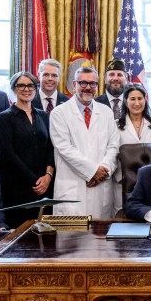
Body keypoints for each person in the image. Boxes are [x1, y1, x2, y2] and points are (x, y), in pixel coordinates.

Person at [50, 66, 119, 218]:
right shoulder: (59, 113)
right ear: (74, 85)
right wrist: (93, 171)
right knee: (71, 240)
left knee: (101, 238)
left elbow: (113, 146)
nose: (88, 87)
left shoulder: (106, 112)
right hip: (72, 188)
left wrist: (103, 169)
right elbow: (64, 148)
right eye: (83, 83)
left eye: (92, 83)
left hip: (101, 187)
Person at [0, 71, 55, 228]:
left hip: (45, 185)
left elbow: (51, 147)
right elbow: (8, 153)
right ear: (14, 89)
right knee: (21, 232)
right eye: (21, 85)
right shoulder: (5, 117)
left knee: (45, 231)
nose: (26, 89)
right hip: (18, 186)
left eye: (30, 85)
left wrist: (48, 176)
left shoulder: (43, 115)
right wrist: (34, 180)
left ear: (36, 89)